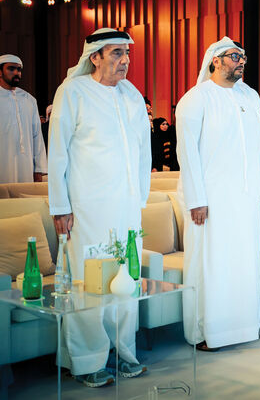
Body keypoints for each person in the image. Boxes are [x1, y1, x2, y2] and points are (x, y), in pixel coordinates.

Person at [48, 28, 150, 387]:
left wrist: (141, 196)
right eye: (116, 53)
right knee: (87, 282)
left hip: (126, 206)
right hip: (87, 206)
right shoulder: (72, 92)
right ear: (95, 57)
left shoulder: (132, 95)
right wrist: (60, 205)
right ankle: (87, 359)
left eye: (127, 53)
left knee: (127, 280)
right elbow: (57, 152)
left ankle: (123, 352)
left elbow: (143, 151)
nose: (125, 60)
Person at [176, 37, 260, 351]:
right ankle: (206, 332)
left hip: (245, 199)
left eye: (242, 56)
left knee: (245, 259)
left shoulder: (251, 96)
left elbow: (258, 149)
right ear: (215, 60)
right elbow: (186, 153)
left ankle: (242, 326)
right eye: (234, 56)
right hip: (211, 199)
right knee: (210, 264)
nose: (241, 61)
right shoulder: (196, 98)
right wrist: (196, 199)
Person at [0, 54, 47, 183]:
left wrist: (39, 169)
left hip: (25, 167)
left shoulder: (29, 100)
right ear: (0, 72)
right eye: (11, 69)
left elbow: (37, 137)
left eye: (19, 69)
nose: (16, 73)